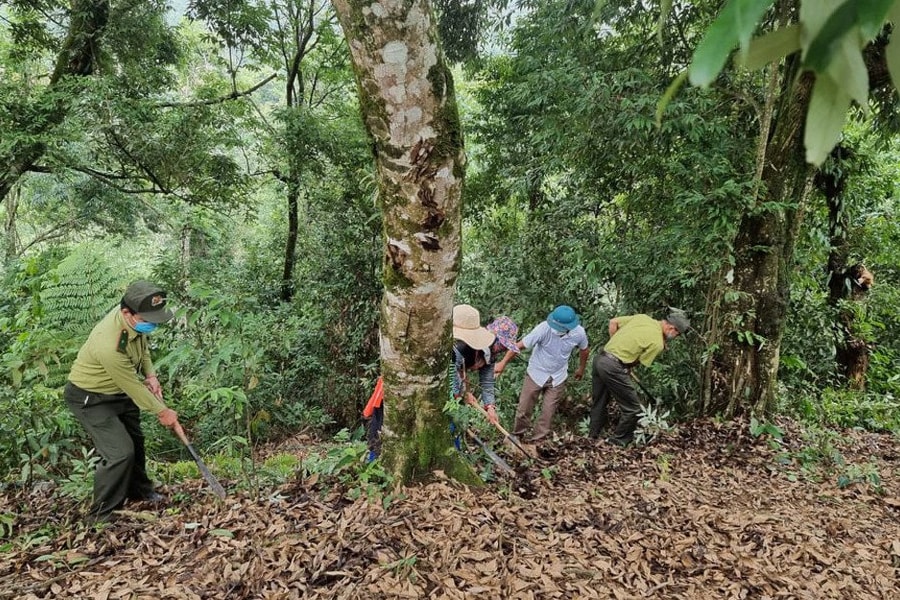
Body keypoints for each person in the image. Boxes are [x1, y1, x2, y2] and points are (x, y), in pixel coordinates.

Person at [64, 280, 181, 523]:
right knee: (120, 452)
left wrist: (151, 374)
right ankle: (100, 516)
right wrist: (163, 411)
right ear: (127, 313)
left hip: (118, 391)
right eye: (148, 319)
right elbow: (132, 385)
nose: (153, 324)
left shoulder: (133, 325)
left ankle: (140, 490)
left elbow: (142, 347)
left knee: (136, 441)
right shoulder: (108, 344)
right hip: (91, 398)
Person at [588, 309, 690, 446]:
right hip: (613, 367)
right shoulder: (657, 343)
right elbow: (640, 361)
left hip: (600, 359)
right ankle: (618, 441)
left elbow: (613, 322)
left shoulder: (643, 318)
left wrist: (616, 348)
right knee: (633, 408)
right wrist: (624, 365)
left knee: (599, 401)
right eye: (677, 334)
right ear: (672, 328)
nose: (675, 337)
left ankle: (592, 437)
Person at [506, 305, 590, 445]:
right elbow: (519, 346)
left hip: (558, 376)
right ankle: (517, 435)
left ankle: (538, 441)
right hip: (536, 373)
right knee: (524, 407)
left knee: (548, 411)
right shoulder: (543, 329)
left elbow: (584, 350)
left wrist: (581, 369)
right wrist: (502, 364)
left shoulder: (579, 333)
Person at [451, 304, 499, 425]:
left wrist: (490, 406)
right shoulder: (454, 349)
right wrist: (462, 394)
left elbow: (487, 381)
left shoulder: (488, 351)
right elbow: (451, 375)